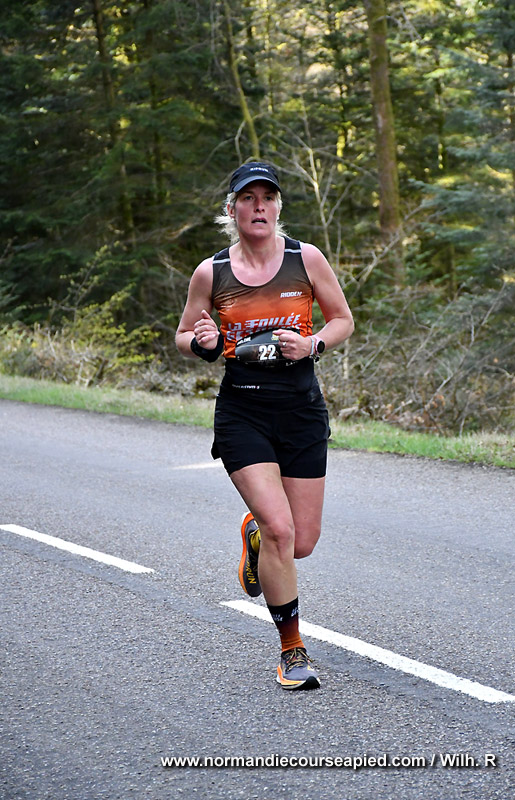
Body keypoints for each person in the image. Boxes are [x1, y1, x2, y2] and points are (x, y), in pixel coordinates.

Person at [176, 161, 354, 690]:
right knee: (282, 529)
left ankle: (255, 535)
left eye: (267, 197)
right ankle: (292, 650)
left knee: (300, 542)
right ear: (232, 209)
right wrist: (204, 343)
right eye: (248, 198)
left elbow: (342, 319)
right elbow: (183, 335)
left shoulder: (306, 259)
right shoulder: (212, 273)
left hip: (301, 412)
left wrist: (313, 343)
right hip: (243, 414)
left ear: (277, 207)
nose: (259, 206)